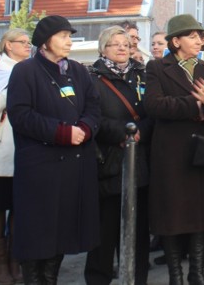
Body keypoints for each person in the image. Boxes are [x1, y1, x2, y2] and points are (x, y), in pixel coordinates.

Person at [6, 15, 101, 284]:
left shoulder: (78, 71)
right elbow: (20, 114)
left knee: (61, 235)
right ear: (45, 42)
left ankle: (50, 280)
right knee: (37, 235)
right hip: (40, 169)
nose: (69, 41)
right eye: (63, 36)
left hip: (73, 167)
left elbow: (94, 107)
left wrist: (85, 127)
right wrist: (61, 132)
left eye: (70, 36)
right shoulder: (25, 71)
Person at [144, 14, 204, 285]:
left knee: (202, 214)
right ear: (175, 41)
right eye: (192, 36)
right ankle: (175, 275)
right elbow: (154, 105)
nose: (199, 40)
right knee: (172, 214)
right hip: (171, 153)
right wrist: (197, 106)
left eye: (201, 36)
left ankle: (197, 272)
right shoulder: (157, 67)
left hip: (203, 150)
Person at [84, 26, 152, 285]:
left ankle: (137, 279)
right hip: (110, 162)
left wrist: (140, 133)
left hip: (141, 162)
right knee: (105, 229)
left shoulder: (142, 76)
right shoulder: (92, 78)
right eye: (115, 44)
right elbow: (92, 116)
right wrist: (122, 134)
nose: (122, 48)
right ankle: (98, 278)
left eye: (126, 44)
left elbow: (152, 111)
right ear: (103, 49)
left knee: (138, 231)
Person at [0, 29, 31, 284]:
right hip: (3, 146)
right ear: (8, 46)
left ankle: (15, 258)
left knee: (20, 206)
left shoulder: (31, 69)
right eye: (22, 42)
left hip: (27, 146)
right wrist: (14, 86)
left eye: (29, 42)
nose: (28, 46)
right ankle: (0, 261)